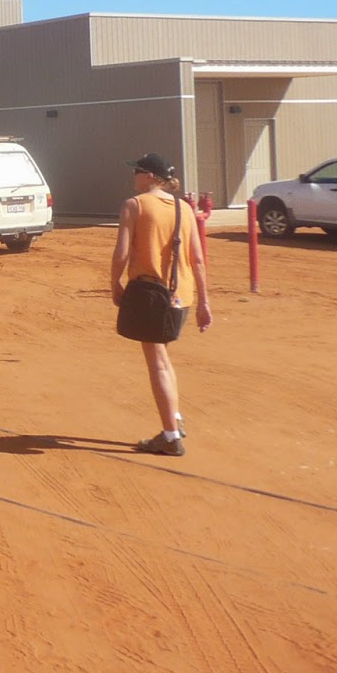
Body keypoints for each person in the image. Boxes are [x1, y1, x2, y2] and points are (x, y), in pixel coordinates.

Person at [110, 152, 212, 457]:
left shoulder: (135, 206)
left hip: (150, 295)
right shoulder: (183, 208)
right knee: (163, 356)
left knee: (156, 362)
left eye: (138, 171)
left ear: (151, 177)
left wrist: (115, 284)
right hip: (182, 296)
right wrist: (205, 303)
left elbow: (121, 254)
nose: (134, 177)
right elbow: (197, 259)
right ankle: (175, 419)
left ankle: (169, 436)